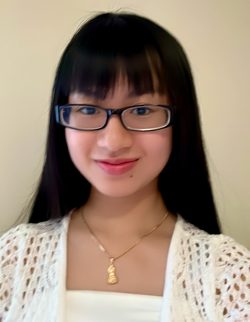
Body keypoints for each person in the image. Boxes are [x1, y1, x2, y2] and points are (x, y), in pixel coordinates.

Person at [0, 12, 249, 322]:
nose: (114, 141)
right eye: (89, 109)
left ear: (179, 119)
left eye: (142, 109)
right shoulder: (13, 260)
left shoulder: (227, 275)